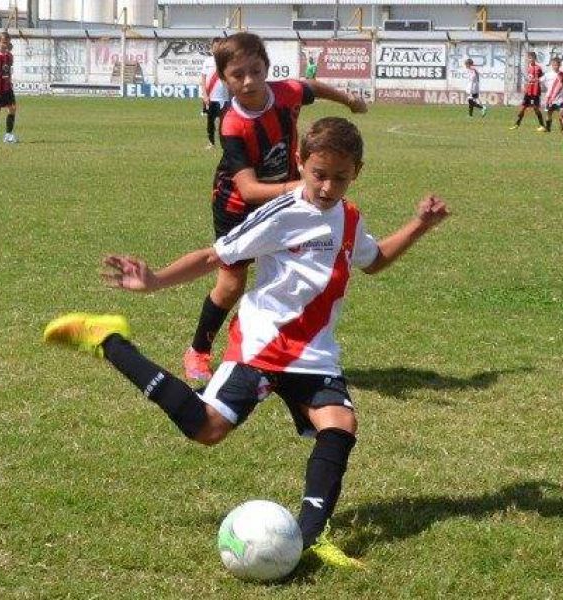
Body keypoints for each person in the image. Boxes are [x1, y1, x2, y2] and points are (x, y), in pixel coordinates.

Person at [43, 116, 451, 569]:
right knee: (207, 429)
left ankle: (312, 538)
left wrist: (419, 225)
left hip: (315, 354)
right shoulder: (282, 213)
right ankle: (110, 340)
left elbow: (373, 261)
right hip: (263, 346)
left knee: (339, 427)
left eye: (340, 177)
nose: (328, 187)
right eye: (319, 174)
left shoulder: (350, 218)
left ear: (358, 172)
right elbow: (216, 255)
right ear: (300, 163)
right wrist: (155, 279)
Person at [183, 32, 368, 383]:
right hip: (236, 204)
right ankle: (198, 351)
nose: (249, 81)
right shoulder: (234, 124)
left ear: (267, 66)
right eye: (238, 75)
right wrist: (302, 185)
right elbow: (249, 190)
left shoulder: (286, 93)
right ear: (223, 79)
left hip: (284, 197)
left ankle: (271, 340)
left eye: (256, 70)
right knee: (231, 284)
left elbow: (309, 86)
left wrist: (348, 100)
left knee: (291, 269)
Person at [199, 38, 232, 150]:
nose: (216, 49)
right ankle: (211, 143)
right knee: (210, 122)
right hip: (211, 97)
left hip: (224, 97)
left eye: (219, 47)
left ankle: (226, 143)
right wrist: (204, 95)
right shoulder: (207, 61)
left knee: (224, 122)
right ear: (212, 48)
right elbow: (203, 79)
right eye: (215, 47)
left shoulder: (226, 62)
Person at [509, 51, 545, 131]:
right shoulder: (528, 68)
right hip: (528, 91)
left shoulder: (538, 68)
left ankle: (542, 125)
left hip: (535, 91)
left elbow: (543, 78)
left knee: (536, 109)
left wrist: (538, 80)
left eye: (531, 58)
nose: (530, 60)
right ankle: (517, 124)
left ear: (535, 59)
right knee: (522, 108)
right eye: (529, 58)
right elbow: (528, 78)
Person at [540, 57, 563, 133]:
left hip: (560, 98)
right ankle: (548, 128)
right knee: (549, 113)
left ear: (560, 65)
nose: (555, 66)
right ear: (551, 65)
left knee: (562, 113)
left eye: (557, 65)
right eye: (554, 65)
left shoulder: (562, 75)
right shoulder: (547, 75)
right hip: (550, 98)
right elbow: (540, 80)